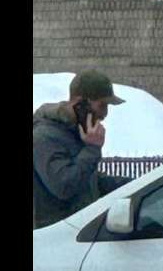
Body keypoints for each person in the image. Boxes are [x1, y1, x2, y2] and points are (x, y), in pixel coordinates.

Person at [32, 70, 131, 229]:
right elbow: (64, 186)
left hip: (78, 232)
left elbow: (87, 181)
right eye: (102, 105)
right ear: (80, 103)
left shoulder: (74, 131)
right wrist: (92, 149)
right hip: (56, 238)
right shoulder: (44, 137)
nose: (104, 113)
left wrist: (136, 185)